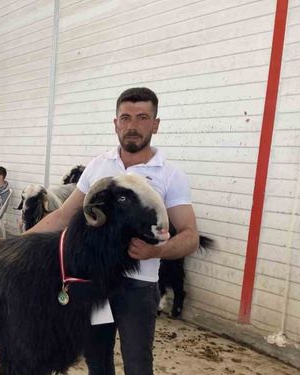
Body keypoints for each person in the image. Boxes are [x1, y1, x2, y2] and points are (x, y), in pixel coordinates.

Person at [27, 87, 201, 375]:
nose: (133, 126)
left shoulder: (170, 174)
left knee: (137, 365)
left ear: (156, 124)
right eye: (126, 117)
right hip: (94, 283)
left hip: (138, 288)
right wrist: (14, 243)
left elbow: (190, 235)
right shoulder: (98, 166)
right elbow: (62, 215)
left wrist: (156, 251)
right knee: (97, 363)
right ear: (116, 123)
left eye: (142, 117)